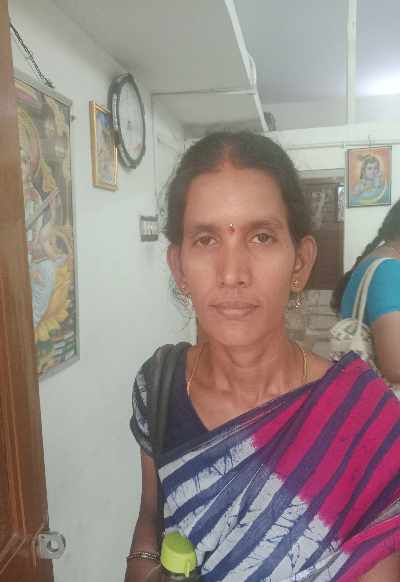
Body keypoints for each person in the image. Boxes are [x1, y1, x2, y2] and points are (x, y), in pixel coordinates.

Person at [126, 132, 400, 581]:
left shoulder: (364, 420)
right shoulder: (158, 386)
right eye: (206, 240)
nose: (232, 273)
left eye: (261, 236)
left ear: (300, 263)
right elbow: (151, 518)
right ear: (179, 267)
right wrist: (140, 566)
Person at [331, 200, 400, 387]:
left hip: (364, 392)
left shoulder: (378, 260)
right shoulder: (389, 270)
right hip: (385, 398)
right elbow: (395, 368)